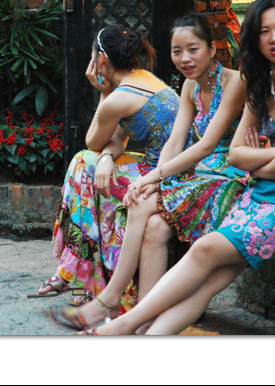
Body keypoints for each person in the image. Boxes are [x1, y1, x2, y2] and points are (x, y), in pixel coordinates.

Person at [83, 0, 275, 335]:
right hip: (262, 191)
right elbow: (239, 155)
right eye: (264, 31)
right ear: (254, 39)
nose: (274, 39)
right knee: (211, 281)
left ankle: (123, 324)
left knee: (205, 249)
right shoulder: (260, 83)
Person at [49, 13, 247, 330]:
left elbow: (207, 145)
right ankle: (142, 320)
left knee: (134, 198)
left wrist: (154, 177)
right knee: (153, 224)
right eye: (177, 51)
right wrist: (155, 179)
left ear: (212, 49)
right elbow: (175, 142)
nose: (185, 59)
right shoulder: (190, 86)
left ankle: (109, 299)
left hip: (229, 176)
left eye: (193, 49)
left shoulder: (234, 83)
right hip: (194, 173)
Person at [31, 24, 179, 307]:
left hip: (163, 177)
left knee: (82, 165)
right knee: (87, 165)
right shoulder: (142, 78)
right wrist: (106, 158)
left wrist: (102, 92)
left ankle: (82, 274)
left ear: (100, 60)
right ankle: (80, 272)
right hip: (163, 168)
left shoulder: (117, 98)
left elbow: (92, 141)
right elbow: (116, 141)